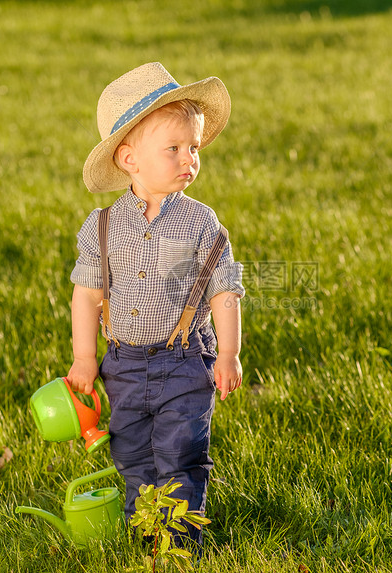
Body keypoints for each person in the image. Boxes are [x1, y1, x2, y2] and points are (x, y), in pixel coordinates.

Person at [66, 62, 244, 547]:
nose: (189, 158)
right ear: (129, 159)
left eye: (193, 148)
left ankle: (179, 544)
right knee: (133, 456)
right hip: (122, 366)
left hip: (185, 361)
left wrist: (227, 353)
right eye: (173, 149)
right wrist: (86, 359)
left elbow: (224, 291)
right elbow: (87, 295)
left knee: (181, 452)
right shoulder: (102, 227)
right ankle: (144, 533)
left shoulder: (202, 224)